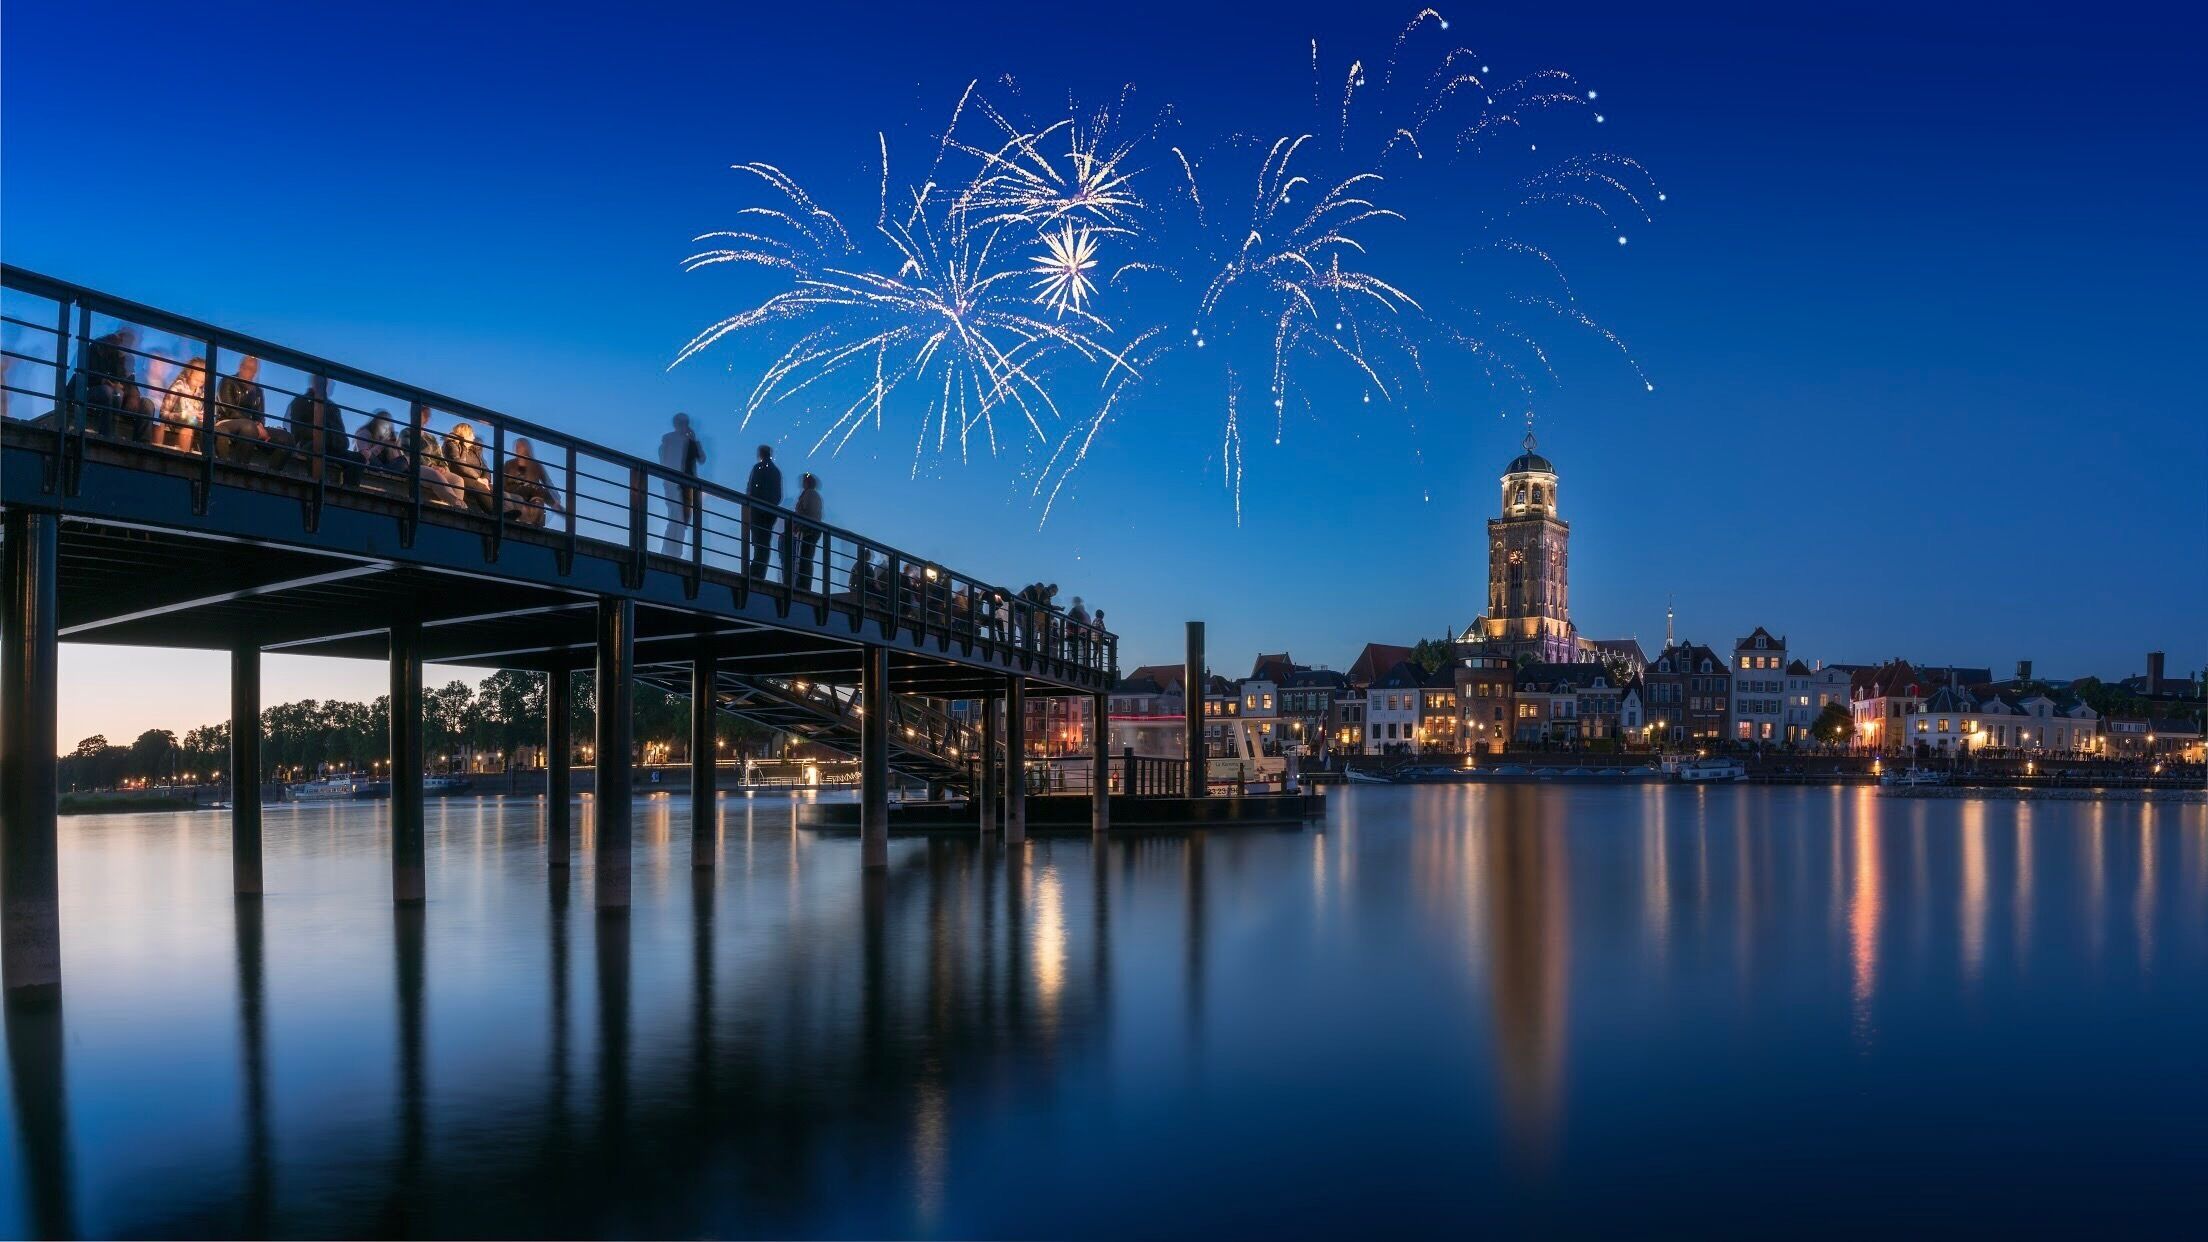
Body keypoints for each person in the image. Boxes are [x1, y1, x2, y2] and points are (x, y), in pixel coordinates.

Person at [286, 376, 364, 485]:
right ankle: (316, 489)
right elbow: (297, 431)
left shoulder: (333, 407)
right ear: (315, 382)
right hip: (311, 445)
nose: (329, 385)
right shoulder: (301, 402)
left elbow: (343, 439)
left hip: (333, 448)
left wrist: (331, 438)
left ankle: (348, 493)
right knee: (316, 450)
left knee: (358, 459)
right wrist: (321, 435)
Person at [212, 355, 280, 461]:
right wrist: (256, 425)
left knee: (286, 438)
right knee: (249, 427)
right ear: (240, 367)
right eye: (246, 367)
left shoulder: (258, 391)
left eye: (252, 369)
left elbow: (260, 416)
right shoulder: (228, 381)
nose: (249, 371)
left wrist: (259, 425)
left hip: (253, 426)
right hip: (227, 422)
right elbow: (229, 410)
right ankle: (240, 468)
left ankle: (272, 472)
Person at [658, 412, 706, 555]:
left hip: (682, 485)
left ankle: (671, 551)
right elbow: (701, 459)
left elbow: (701, 458)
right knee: (677, 518)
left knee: (680, 520)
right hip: (678, 485)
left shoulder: (677, 441)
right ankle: (671, 552)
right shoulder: (670, 441)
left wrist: (694, 441)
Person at [503, 437, 563, 527]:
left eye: (521, 446)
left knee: (538, 498)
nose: (518, 448)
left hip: (532, 495)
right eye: (517, 446)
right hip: (514, 491)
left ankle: (533, 522)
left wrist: (556, 496)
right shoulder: (509, 464)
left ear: (527, 448)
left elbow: (547, 482)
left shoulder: (535, 465)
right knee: (536, 489)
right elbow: (503, 482)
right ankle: (555, 506)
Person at [745, 442, 782, 578]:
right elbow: (778, 495)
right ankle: (759, 571)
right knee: (764, 541)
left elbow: (752, 488)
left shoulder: (759, 468)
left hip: (758, 510)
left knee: (759, 541)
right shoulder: (776, 471)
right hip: (770, 512)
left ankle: (755, 571)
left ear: (760, 454)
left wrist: (751, 501)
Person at [155, 356, 208, 452]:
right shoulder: (178, 388)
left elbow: (200, 413)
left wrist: (200, 416)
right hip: (175, 421)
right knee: (187, 430)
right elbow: (163, 414)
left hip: (193, 423)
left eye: (202, 382)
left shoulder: (202, 392)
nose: (199, 384)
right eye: (196, 380)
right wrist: (185, 415)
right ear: (189, 374)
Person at [443, 422, 493, 511]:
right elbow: (458, 463)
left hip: (478, 479)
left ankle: (505, 515)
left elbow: (484, 467)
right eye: (471, 434)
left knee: (499, 492)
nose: (473, 437)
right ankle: (495, 514)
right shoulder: (452, 444)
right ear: (465, 434)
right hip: (463, 477)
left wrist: (486, 479)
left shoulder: (474, 450)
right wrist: (478, 478)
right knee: (479, 486)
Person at [788, 471, 823, 591]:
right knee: (806, 558)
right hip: (810, 530)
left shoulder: (809, 494)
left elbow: (808, 513)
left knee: (805, 558)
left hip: (808, 531)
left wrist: (799, 525)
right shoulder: (813, 495)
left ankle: (803, 585)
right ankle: (803, 584)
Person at [357, 409, 409, 474]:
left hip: (383, 466)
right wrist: (382, 444)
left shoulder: (384, 436)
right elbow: (364, 455)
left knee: (404, 461)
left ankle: (384, 470)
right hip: (368, 463)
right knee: (367, 453)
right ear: (377, 423)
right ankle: (385, 470)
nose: (387, 428)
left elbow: (394, 460)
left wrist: (395, 446)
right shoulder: (364, 432)